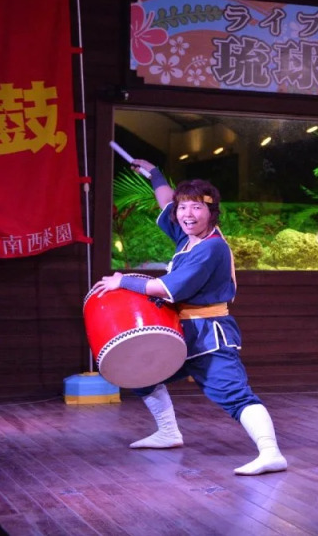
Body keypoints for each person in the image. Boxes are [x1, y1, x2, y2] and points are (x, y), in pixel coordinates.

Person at [91, 160, 288, 475]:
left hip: (209, 336)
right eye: (183, 207)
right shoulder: (187, 238)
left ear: (211, 212)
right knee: (142, 374)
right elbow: (166, 202)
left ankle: (271, 453)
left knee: (233, 394)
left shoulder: (211, 248)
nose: (187, 213)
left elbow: (165, 289)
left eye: (196, 207)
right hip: (181, 332)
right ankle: (168, 433)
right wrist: (154, 174)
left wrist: (122, 281)